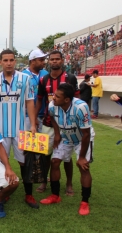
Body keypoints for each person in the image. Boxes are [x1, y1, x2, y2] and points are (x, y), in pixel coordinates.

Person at [0, 49, 37, 209]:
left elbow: (30, 102)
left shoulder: (26, 79)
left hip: (21, 129)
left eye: (11, 60)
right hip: (0, 131)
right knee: (2, 163)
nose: (8, 63)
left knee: (25, 163)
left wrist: (33, 125)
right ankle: (5, 192)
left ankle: (29, 194)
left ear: (15, 61)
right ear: (0, 62)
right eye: (5, 60)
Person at [40, 84, 94, 216]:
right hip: (65, 137)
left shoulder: (81, 107)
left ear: (67, 100)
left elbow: (86, 134)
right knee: (54, 162)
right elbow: (52, 118)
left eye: (57, 96)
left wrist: (81, 157)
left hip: (83, 139)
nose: (53, 98)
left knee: (83, 167)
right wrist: (57, 134)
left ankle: (84, 202)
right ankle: (55, 196)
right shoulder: (52, 105)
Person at [35, 51, 79, 197]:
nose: (54, 61)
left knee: (66, 156)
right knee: (45, 154)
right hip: (48, 122)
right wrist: (35, 117)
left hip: (67, 123)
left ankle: (69, 183)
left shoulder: (70, 78)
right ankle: (44, 181)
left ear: (62, 61)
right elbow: (40, 100)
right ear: (49, 61)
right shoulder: (44, 79)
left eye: (57, 59)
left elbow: (77, 100)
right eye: (52, 59)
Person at [21, 49, 49, 194]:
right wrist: (33, 118)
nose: (44, 62)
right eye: (41, 59)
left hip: (45, 115)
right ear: (33, 61)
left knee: (42, 147)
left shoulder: (45, 75)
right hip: (27, 116)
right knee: (29, 147)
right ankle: (30, 173)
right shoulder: (23, 75)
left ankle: (41, 174)